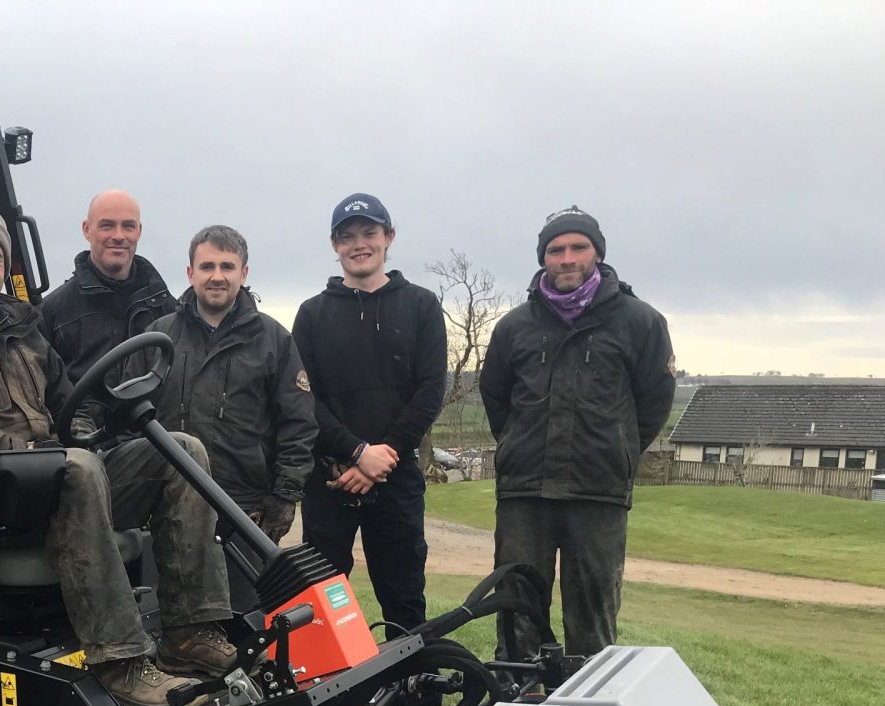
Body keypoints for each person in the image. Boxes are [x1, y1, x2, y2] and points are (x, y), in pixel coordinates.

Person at [0, 200, 236, 706]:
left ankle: (191, 628)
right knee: (74, 468)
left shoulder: (22, 329)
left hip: (54, 484)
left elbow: (69, 403)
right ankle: (121, 659)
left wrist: (88, 430)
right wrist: (22, 453)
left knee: (180, 449)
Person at [479, 205, 675, 658]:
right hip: (524, 493)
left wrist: (616, 449)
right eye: (556, 249)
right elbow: (496, 398)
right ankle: (516, 698)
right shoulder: (514, 327)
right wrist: (518, 443)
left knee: (592, 618)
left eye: (578, 247)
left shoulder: (640, 322)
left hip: (598, 491)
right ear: (543, 258)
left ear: (597, 254)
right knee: (517, 610)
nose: (567, 258)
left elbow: (653, 405)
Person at [291, 193, 446, 637]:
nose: (359, 244)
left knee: (403, 600)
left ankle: (413, 693)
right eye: (348, 236)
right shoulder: (312, 314)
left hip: (396, 479)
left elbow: (430, 391)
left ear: (388, 238)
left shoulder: (421, 306)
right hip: (331, 478)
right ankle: (330, 698)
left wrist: (384, 457)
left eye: (369, 233)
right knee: (318, 603)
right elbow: (305, 399)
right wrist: (357, 452)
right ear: (335, 245)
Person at [148, 224, 316, 612]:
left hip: (245, 511)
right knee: (171, 622)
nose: (217, 276)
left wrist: (285, 494)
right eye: (207, 266)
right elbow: (129, 416)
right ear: (190, 273)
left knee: (246, 626)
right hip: (167, 507)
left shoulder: (273, 340)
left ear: (244, 272)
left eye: (228, 265)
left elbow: (298, 422)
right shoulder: (159, 337)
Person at [39, 189, 176, 385]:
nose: (118, 236)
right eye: (107, 225)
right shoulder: (52, 312)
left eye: (128, 226)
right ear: (87, 229)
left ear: (139, 231)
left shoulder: (167, 309)